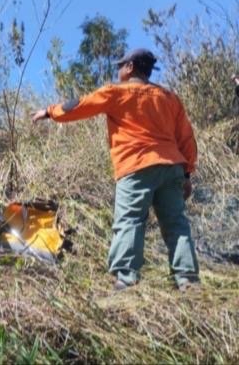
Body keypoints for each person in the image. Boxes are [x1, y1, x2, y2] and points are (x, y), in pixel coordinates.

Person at [32, 48, 200, 291]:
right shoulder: (169, 97)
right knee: (176, 224)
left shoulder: (116, 92)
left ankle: (127, 279)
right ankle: (187, 279)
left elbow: (78, 106)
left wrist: (49, 111)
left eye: (121, 65)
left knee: (130, 220)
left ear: (130, 67)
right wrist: (186, 173)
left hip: (136, 167)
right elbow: (186, 138)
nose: (119, 70)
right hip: (171, 166)